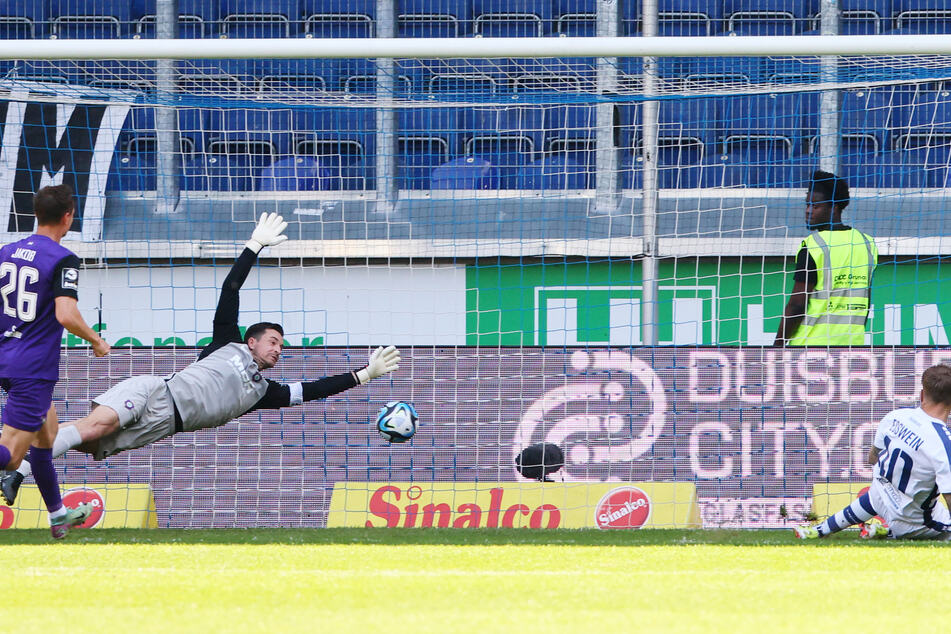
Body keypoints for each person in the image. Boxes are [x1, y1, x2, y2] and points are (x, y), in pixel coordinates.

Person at [1, 212, 399, 505]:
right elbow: (231, 286)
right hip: (156, 392)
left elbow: (313, 390)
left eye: (281, 346)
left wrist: (364, 374)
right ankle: (15, 471)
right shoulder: (226, 341)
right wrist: (254, 245)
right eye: (273, 341)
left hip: (162, 426)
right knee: (90, 428)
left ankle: (15, 461)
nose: (278, 349)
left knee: (84, 442)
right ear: (252, 340)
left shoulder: (264, 392)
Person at [0, 184, 110, 538]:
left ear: (35, 214)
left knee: (46, 435)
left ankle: (57, 514)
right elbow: (65, 313)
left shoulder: (7, 251)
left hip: (5, 355)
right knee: (12, 457)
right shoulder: (63, 259)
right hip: (31, 367)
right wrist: (95, 339)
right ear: (68, 217)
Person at [794, 364, 951, 541]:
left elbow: (872, 458)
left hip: (880, 496)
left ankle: (820, 529)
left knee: (881, 493)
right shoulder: (944, 443)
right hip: (913, 520)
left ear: (922, 394)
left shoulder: (895, 416)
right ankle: (890, 531)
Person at [774, 170, 877, 347]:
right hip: (852, 346)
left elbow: (797, 305)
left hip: (810, 347)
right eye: (807, 205)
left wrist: (777, 346)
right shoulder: (867, 243)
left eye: (815, 206)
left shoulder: (814, 245)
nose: (808, 211)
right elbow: (865, 301)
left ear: (834, 207)